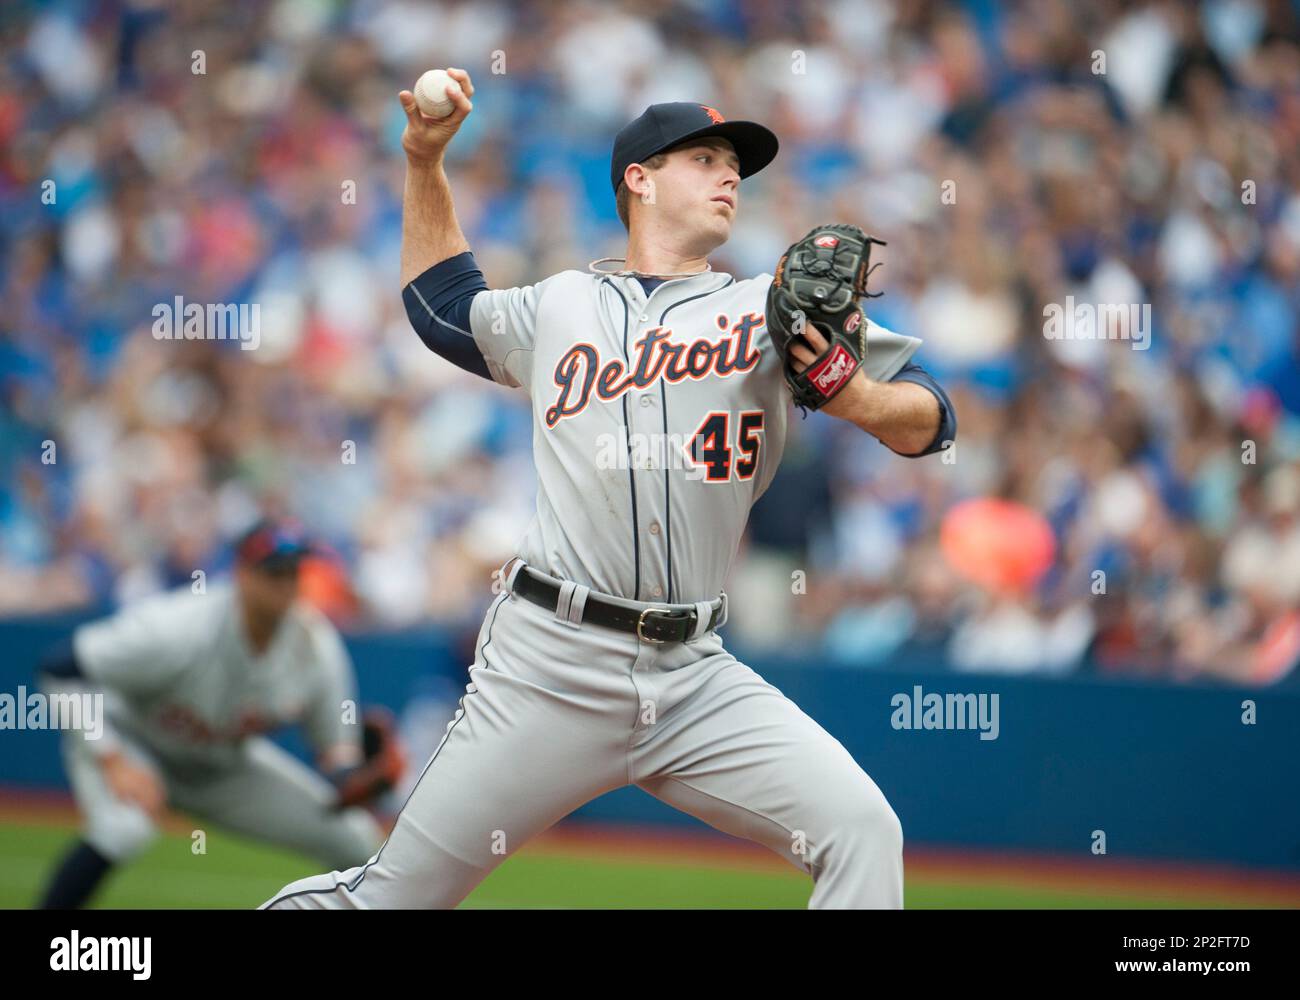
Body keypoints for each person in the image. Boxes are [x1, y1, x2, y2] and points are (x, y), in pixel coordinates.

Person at [262, 69, 956, 910]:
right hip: (550, 664)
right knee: (388, 901)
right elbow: (442, 307)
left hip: (695, 674)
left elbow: (931, 417)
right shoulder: (560, 305)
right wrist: (423, 161)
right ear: (640, 178)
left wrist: (862, 398)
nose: (730, 174)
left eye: (735, 163)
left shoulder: (766, 310)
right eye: (704, 157)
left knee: (862, 831)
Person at [37, 519, 385, 908]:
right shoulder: (178, 627)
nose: (286, 582)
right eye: (274, 570)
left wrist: (361, 780)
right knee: (124, 828)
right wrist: (112, 758)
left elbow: (335, 754)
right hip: (133, 744)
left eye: (294, 570)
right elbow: (58, 668)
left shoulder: (314, 644)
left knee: (356, 838)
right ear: (241, 573)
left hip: (222, 767)